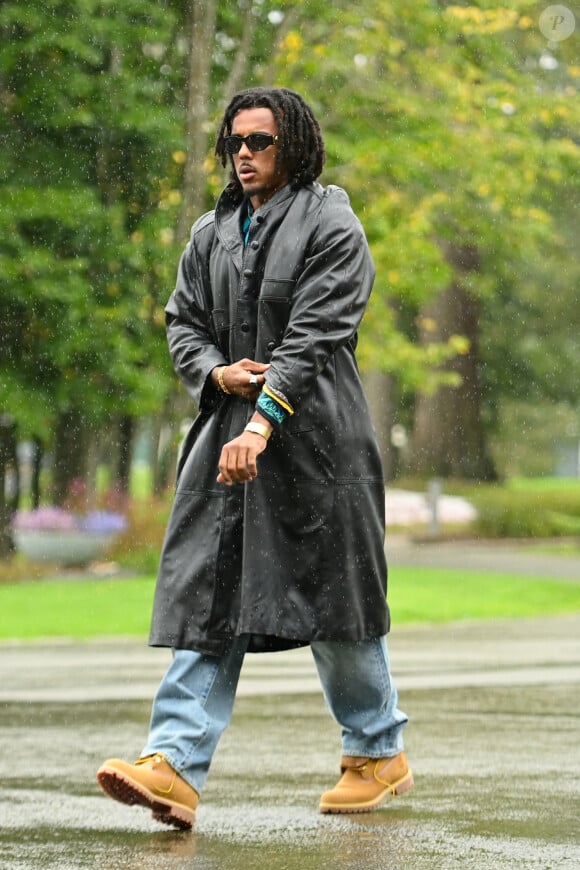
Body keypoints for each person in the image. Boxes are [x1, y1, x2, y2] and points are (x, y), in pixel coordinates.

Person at [96, 86, 412, 830]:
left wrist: (263, 423)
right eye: (235, 141)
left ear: (294, 146)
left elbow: (310, 339)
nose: (244, 153)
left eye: (261, 141)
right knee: (212, 603)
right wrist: (215, 374)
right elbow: (184, 323)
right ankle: (172, 764)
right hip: (226, 445)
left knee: (336, 609)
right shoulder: (210, 232)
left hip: (318, 450)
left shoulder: (332, 221)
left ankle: (376, 750)